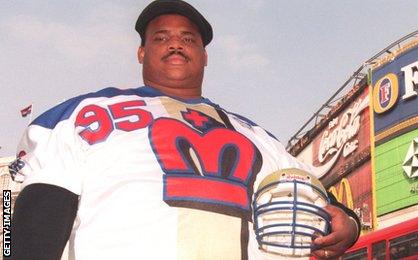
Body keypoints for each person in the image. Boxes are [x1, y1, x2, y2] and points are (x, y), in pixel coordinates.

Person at [9, 1, 360, 259]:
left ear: (205, 56)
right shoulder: (79, 114)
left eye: (188, 39)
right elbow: (36, 223)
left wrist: (349, 223)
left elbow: (319, 200)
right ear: (141, 52)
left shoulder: (256, 135)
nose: (176, 43)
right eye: (161, 38)